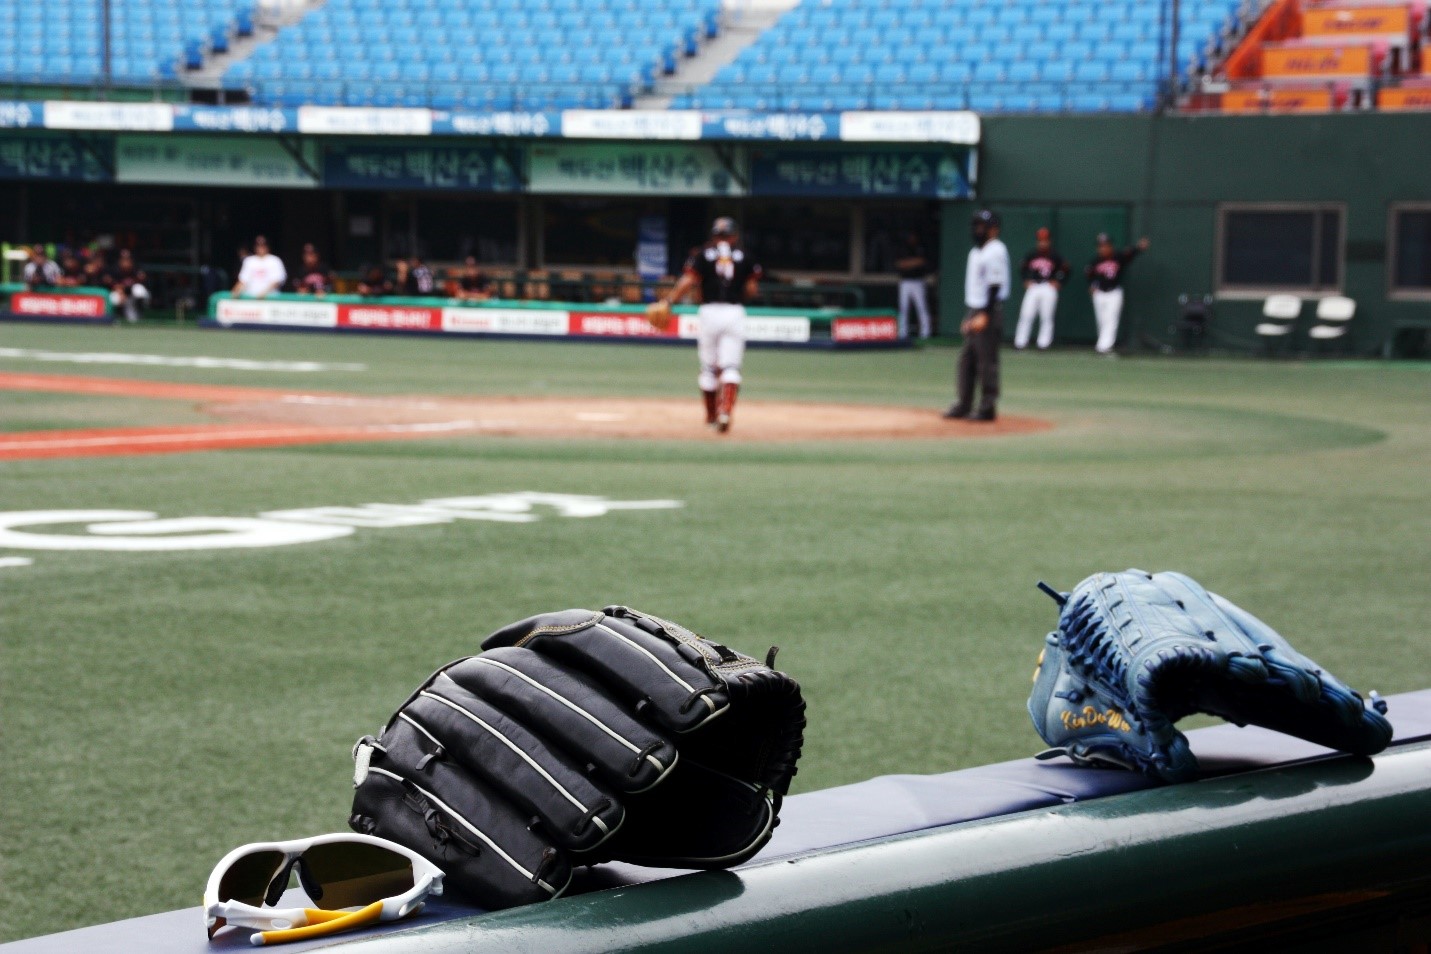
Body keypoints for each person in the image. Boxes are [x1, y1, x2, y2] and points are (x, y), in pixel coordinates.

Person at [651, 216, 761, 434]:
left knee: (709, 368)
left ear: (714, 235)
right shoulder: (745, 256)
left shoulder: (702, 254)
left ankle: (711, 417)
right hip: (734, 311)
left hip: (709, 312)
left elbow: (689, 280)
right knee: (730, 368)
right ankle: (725, 411)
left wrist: (669, 300)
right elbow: (751, 290)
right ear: (735, 236)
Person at [944, 209, 1010, 423]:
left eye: (982, 226)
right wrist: (970, 315)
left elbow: (994, 285)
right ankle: (964, 403)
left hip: (988, 310)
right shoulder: (976, 252)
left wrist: (985, 315)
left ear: (994, 229)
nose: (977, 230)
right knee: (967, 360)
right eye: (976, 226)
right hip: (975, 309)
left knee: (986, 361)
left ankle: (987, 407)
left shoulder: (995, 250)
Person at [1086, 233, 1151, 355]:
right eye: (1101, 246)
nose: (1103, 248)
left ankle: (1104, 347)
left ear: (1110, 246)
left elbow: (1130, 253)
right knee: (1101, 321)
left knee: (1111, 320)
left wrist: (1139, 248)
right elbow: (1089, 275)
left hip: (1114, 293)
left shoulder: (1118, 257)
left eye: (1105, 245)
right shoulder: (1095, 261)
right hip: (1099, 293)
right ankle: (1103, 345)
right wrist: (1092, 285)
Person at [1015, 227, 1070, 351]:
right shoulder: (1032, 254)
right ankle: (1020, 342)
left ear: (1049, 241)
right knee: (1026, 314)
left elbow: (1066, 269)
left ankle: (1044, 343)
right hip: (1034, 286)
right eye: (1040, 240)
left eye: (1045, 240)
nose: (1043, 242)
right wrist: (1025, 280)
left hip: (1048, 287)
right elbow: (1022, 267)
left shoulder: (1055, 255)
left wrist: (1059, 281)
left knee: (1046, 316)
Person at [894, 231, 933, 340]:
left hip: (918, 281)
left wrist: (909, 263)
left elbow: (922, 261)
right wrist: (913, 263)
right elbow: (900, 264)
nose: (911, 238)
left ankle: (926, 333)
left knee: (921, 307)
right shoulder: (902, 248)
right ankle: (903, 334)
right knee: (903, 308)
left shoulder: (920, 248)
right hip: (905, 282)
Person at [106, 249, 151, 323]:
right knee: (113, 298)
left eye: (128, 260)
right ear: (120, 261)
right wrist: (121, 292)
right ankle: (116, 317)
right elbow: (112, 283)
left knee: (139, 289)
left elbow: (142, 281)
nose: (126, 262)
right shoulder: (115, 269)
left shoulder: (136, 268)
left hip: (133, 298)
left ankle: (141, 312)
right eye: (123, 260)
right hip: (122, 295)